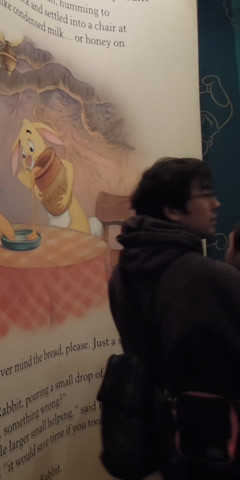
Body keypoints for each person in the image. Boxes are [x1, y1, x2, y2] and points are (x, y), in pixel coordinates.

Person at [108, 157, 240, 480]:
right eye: (206, 194)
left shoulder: (121, 275)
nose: (216, 203)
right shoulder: (207, 276)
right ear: (172, 210)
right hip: (223, 440)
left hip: (162, 436)